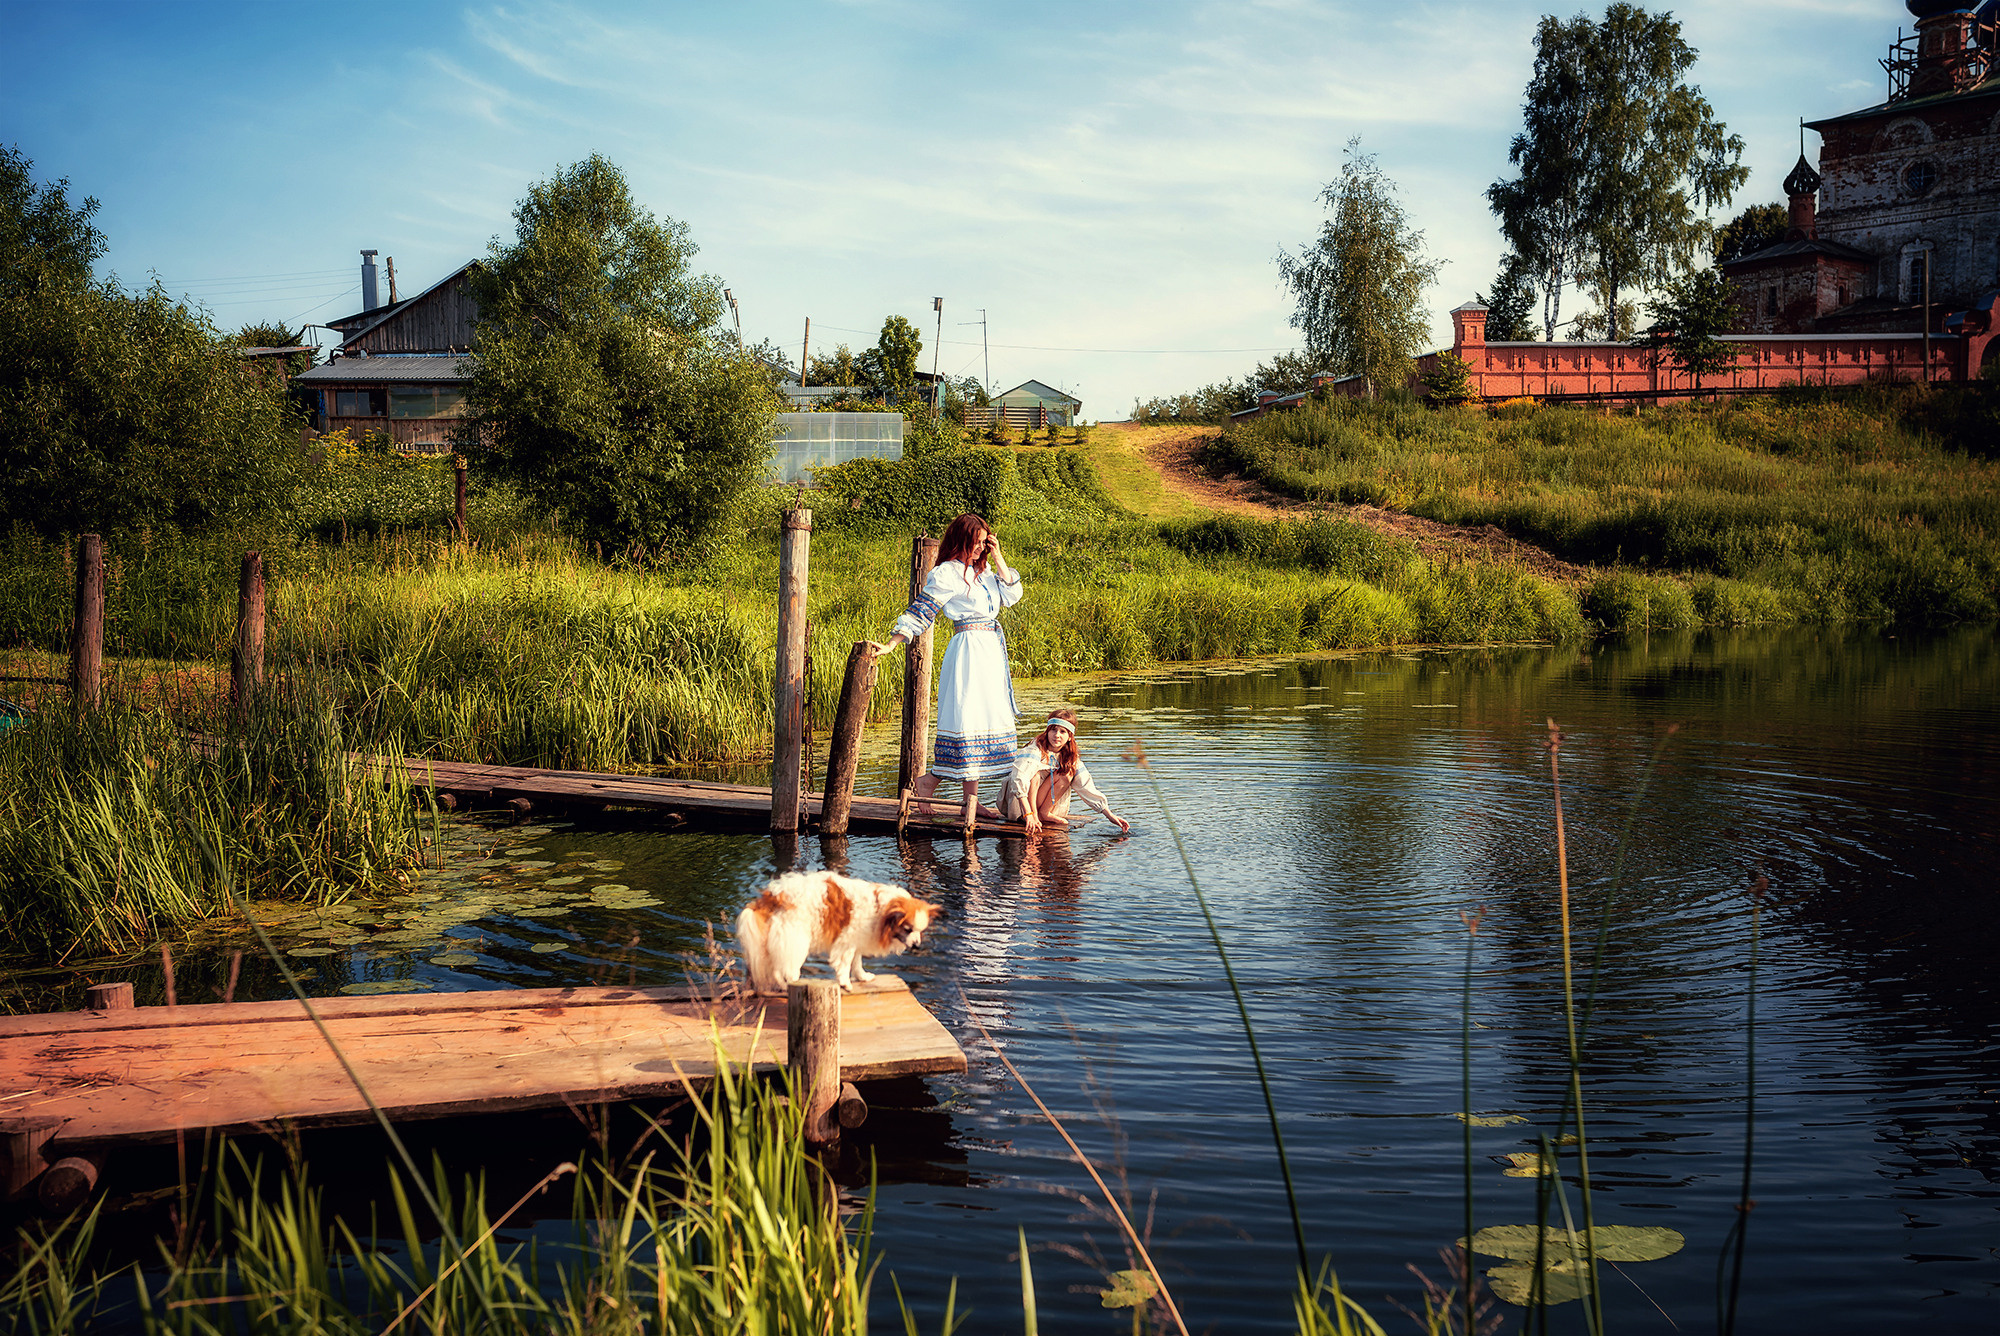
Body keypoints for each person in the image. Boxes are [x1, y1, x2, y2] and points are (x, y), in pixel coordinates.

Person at [873, 513, 1022, 827]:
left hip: (991, 652)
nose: (982, 548)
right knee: (967, 720)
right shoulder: (947, 573)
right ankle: (930, 781)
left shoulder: (986, 575)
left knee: (985, 721)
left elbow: (1012, 594)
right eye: (979, 543)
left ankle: (971, 800)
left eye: (986, 542)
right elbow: (922, 609)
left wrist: (997, 555)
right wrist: (893, 642)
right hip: (967, 651)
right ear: (963, 540)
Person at [1001, 708, 1130, 835]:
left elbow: (1086, 786)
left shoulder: (1069, 756)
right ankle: (1033, 814)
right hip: (1020, 805)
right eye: (1053, 730)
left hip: (1041, 802)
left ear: (1069, 737)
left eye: (1062, 731)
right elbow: (1018, 778)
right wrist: (1028, 814)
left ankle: (1044, 813)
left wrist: (1109, 815)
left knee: (1067, 773)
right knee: (1035, 773)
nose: (1057, 735)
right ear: (1047, 731)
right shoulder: (1035, 749)